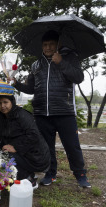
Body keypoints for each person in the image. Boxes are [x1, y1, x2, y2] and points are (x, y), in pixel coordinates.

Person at [12, 30, 91, 188]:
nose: (47, 48)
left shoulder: (69, 58)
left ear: (58, 44)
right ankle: (50, 173)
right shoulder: (36, 64)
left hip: (64, 111)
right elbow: (31, 88)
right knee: (46, 147)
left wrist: (61, 62)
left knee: (72, 145)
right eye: (45, 45)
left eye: (51, 44)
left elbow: (79, 77)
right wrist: (16, 83)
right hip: (42, 113)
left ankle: (80, 174)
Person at [0, 95, 50, 188]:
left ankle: (29, 179)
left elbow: (33, 135)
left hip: (36, 155)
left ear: (12, 102)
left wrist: (15, 147)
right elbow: (5, 137)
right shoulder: (4, 117)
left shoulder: (22, 115)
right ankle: (23, 174)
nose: (2, 106)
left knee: (6, 156)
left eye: (5, 102)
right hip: (24, 151)